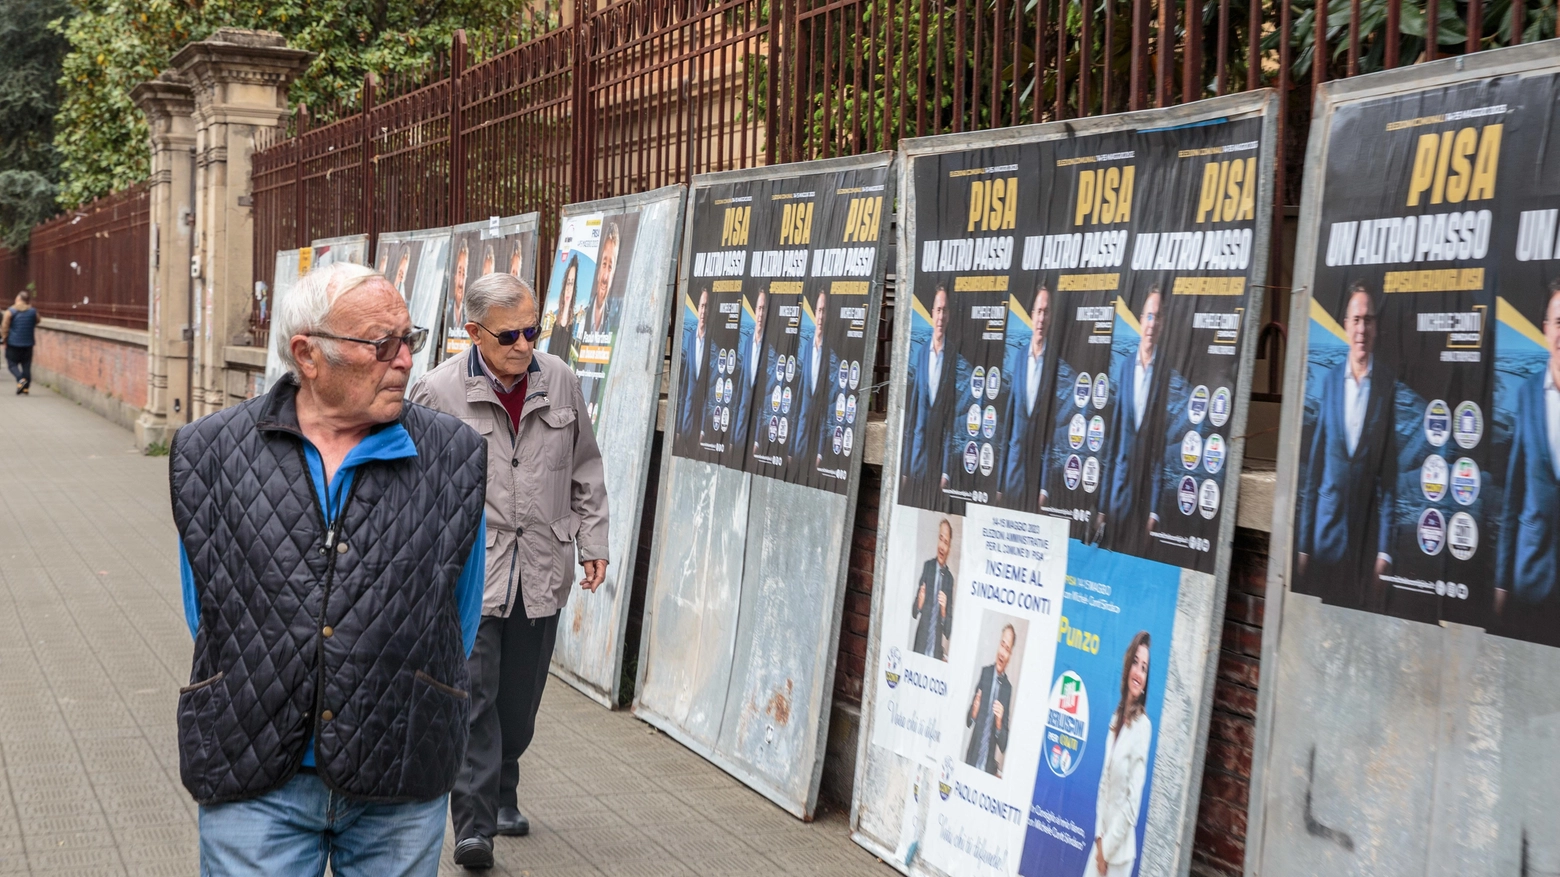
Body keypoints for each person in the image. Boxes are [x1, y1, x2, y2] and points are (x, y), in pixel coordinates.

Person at [170, 263, 486, 877]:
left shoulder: (455, 455)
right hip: (253, 763)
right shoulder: (208, 452)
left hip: (400, 760)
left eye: (408, 341)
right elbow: (207, 604)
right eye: (380, 344)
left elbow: (459, 613)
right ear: (307, 355)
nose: (403, 361)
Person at [409, 271, 609, 870]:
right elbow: (414, 488)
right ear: (473, 333)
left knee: (516, 708)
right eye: (509, 335)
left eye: (533, 330)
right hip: (471, 576)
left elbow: (586, 469)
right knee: (473, 698)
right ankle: (473, 827)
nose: (524, 344)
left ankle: (503, 785)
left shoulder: (562, 382)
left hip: (542, 568)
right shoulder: (437, 393)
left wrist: (594, 540)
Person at [1295, 282, 1396, 611]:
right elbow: (1314, 472)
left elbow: (1389, 480)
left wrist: (1384, 551)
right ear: (1345, 324)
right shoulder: (1329, 383)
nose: (1361, 329)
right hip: (1325, 542)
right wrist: (1304, 545)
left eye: (1368, 320)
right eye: (1356, 320)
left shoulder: (1386, 386)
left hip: (1365, 550)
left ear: (1376, 327)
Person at [1496, 279, 1560, 640]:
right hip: (1530, 581)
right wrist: (1502, 581)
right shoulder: (1527, 395)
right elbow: (1512, 497)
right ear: (1546, 329)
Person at [1102, 286, 1168, 554]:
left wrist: (1155, 510)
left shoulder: (1166, 371)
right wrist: (1104, 505)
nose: (1152, 323)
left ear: (1163, 324)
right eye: (1148, 316)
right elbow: (1115, 438)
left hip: (1146, 504)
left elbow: (1162, 449)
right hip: (1119, 495)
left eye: (1158, 317)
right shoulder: (1125, 367)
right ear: (1141, 320)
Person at [1087, 632, 1153, 877]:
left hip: (1119, 856)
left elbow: (1132, 804)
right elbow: (1104, 784)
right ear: (1127, 667)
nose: (1138, 672)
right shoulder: (1116, 720)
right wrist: (1098, 839)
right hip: (1101, 847)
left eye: (1144, 668)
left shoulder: (1143, 727)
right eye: (1135, 663)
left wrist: (1106, 851)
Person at [999, 285, 1055, 511]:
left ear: (1051, 317)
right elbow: (1009, 422)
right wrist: (1001, 482)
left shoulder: (1055, 364)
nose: (1041, 318)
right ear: (1031, 315)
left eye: (1046, 311)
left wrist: (1045, 488)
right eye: (1038, 311)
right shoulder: (1020, 358)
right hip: (1013, 475)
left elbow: (1053, 432)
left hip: (1038, 480)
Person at [901, 285, 957, 508]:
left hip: (938, 465)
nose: (941, 316)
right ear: (931, 313)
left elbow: (952, 420)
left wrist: (946, 471)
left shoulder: (953, 355)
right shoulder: (921, 353)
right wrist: (905, 468)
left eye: (945, 310)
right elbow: (912, 413)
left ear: (949, 315)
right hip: (916, 462)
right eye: (938, 310)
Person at [794, 289, 838, 476]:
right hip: (799, 444)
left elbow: (830, 407)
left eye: (824, 311)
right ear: (814, 313)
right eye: (818, 311)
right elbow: (796, 402)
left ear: (827, 315)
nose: (820, 316)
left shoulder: (831, 355)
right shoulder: (804, 350)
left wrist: (821, 451)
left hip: (819, 447)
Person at [964, 623, 1015, 776]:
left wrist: (999, 723)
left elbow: (1004, 745)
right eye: (1002, 645)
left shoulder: (1007, 689)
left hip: (987, 769)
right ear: (998, 645)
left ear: (1010, 655)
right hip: (971, 760)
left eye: (1007, 649)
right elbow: (968, 721)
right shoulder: (985, 673)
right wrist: (974, 710)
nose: (1002, 652)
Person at [676, 287, 714, 454]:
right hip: (685, 423)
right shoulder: (690, 340)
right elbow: (683, 388)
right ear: (697, 309)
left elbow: (710, 392)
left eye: (707, 306)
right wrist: (677, 428)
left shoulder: (713, 344)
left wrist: (704, 430)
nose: (703, 311)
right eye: (701, 306)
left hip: (701, 428)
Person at [911, 518, 955, 660]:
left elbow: (948, 632)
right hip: (919, 646)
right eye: (940, 539)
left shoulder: (949, 579)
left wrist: (943, 612)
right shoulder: (927, 567)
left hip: (935, 652)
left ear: (949, 548)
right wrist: (919, 602)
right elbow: (914, 611)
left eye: (946, 542)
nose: (942, 546)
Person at [584, 222, 622, 337]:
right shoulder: (581, 315)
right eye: (604, 264)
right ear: (598, 269)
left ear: (614, 274)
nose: (605, 277)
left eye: (610, 267)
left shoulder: (614, 322)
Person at [2, 290, 39, 394]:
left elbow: (5, 327)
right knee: (26, 365)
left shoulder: (10, 311)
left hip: (13, 343)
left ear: (18, 299)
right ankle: (26, 388)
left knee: (12, 364)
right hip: (28, 343)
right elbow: (38, 320)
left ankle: (20, 379)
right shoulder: (33, 311)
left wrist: (4, 339)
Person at [547, 256, 579, 361]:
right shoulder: (555, 319)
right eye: (567, 283)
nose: (569, 288)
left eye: (572, 283)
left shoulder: (574, 323)